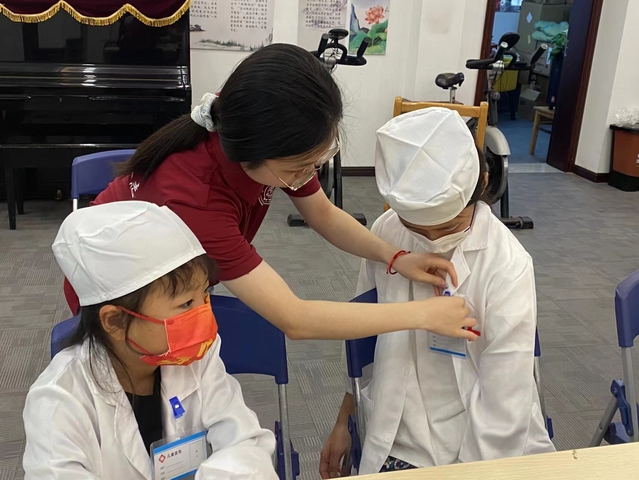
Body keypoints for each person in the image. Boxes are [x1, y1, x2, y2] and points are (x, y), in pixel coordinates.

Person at [62, 43, 477, 342]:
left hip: (179, 280)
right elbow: (295, 319)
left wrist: (395, 256)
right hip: (121, 293)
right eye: (299, 169)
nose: (308, 176)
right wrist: (422, 315)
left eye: (316, 162)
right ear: (253, 155)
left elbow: (322, 213)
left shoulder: (258, 126)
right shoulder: (197, 200)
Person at [320, 108, 555, 477]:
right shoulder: (388, 230)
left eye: (448, 226)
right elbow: (362, 333)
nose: (432, 240)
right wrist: (344, 419)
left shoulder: (507, 264)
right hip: (397, 430)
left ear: (482, 183)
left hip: (476, 436)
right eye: (417, 227)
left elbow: (504, 401)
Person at [23, 202, 278, 480]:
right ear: (115, 321)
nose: (203, 314)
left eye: (204, 295)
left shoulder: (196, 356)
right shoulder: (58, 400)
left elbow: (246, 443)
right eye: (186, 304)